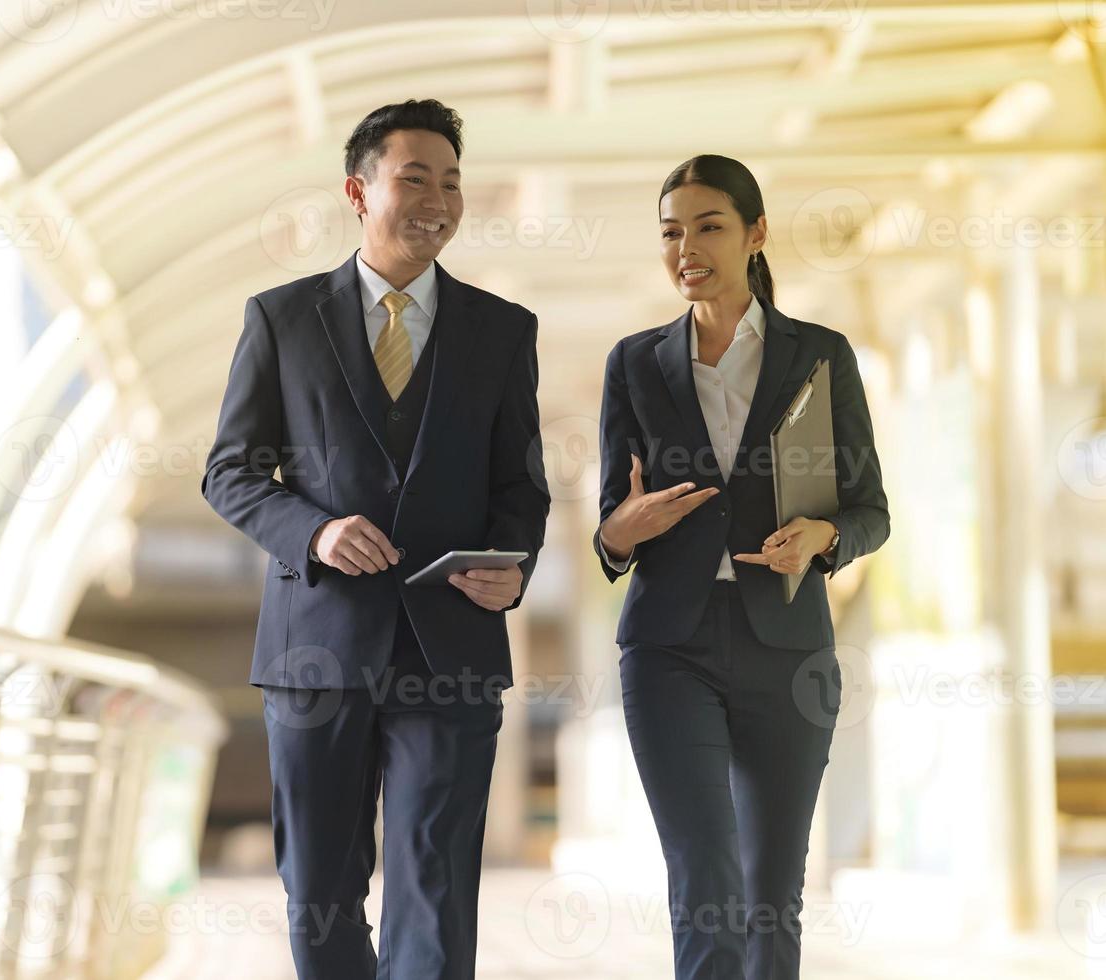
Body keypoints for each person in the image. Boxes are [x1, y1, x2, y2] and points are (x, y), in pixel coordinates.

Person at [201, 98, 550, 980]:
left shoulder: (503, 331)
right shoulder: (280, 320)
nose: (437, 199)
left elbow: (522, 489)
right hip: (315, 647)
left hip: (454, 644)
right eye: (414, 179)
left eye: (452, 182)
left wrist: (512, 570)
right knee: (319, 887)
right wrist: (313, 532)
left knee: (435, 888)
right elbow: (231, 472)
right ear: (359, 191)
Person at [594, 154, 889, 980]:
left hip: (787, 652)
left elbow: (872, 511)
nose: (686, 248)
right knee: (706, 883)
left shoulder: (820, 357)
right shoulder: (634, 363)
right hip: (669, 650)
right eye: (670, 232)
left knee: (769, 895)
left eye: (708, 226)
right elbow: (609, 533)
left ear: (756, 234)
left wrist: (823, 537)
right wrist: (624, 530)